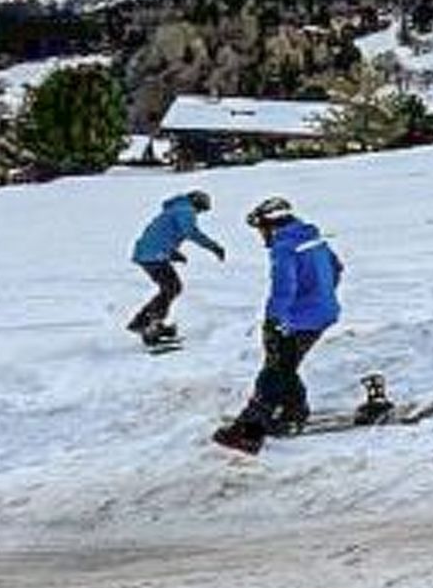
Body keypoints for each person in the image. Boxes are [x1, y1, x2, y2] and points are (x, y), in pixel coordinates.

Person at [212, 197, 346, 454]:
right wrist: (321, 297)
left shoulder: (284, 247)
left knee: (273, 373)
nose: (261, 235)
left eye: (261, 229)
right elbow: (337, 268)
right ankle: (294, 413)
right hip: (323, 314)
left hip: (297, 320)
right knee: (285, 367)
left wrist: (276, 320)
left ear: (270, 225)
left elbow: (284, 288)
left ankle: (250, 433)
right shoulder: (312, 237)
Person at [127, 190, 225, 344]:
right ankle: (146, 325)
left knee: (170, 288)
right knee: (171, 288)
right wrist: (214, 247)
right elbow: (191, 232)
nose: (198, 213)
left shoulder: (177, 208)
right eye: (200, 209)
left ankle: (150, 323)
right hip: (153, 256)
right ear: (197, 203)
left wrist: (172, 252)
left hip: (151, 254)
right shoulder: (185, 210)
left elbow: (164, 233)